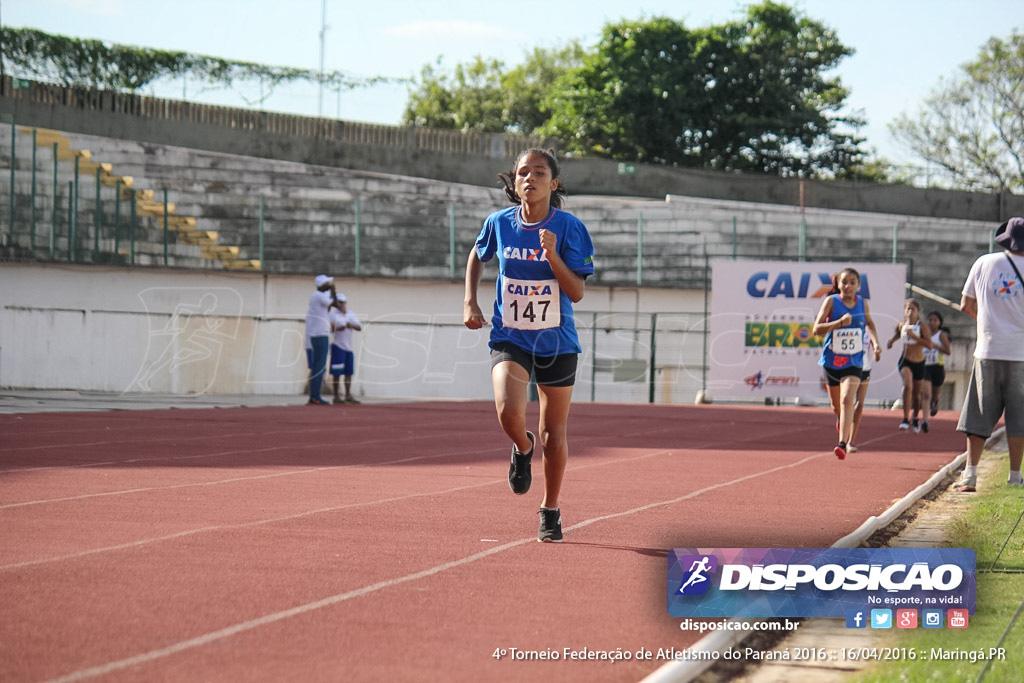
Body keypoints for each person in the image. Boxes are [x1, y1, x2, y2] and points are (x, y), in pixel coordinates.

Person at [463, 148, 595, 543]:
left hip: (556, 341)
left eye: (539, 172)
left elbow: (577, 292)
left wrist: (552, 254)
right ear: (515, 181)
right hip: (511, 335)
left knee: (554, 432)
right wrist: (470, 299)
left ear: (553, 184)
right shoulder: (499, 223)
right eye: (523, 172)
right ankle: (522, 449)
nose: (530, 178)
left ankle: (550, 509)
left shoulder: (570, 228)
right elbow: (477, 253)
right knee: (507, 410)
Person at [955, 216, 1024, 492]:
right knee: (1019, 418)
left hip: (988, 349)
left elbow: (966, 305)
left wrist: (986, 323)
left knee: (979, 413)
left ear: (1005, 239)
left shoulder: (984, 262)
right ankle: (1016, 477)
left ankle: (970, 475)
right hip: (1021, 353)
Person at [812, 267, 880, 460]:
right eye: (844, 282)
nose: (848, 286)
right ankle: (841, 420)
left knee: (846, 399)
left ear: (858, 285)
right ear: (838, 284)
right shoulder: (831, 302)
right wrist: (839, 323)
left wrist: (876, 344)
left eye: (852, 282)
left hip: (854, 360)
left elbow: (870, 325)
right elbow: (816, 329)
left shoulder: (862, 304)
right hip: (832, 361)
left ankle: (842, 443)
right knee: (836, 406)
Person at [886, 299, 933, 432]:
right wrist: (891, 341)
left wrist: (915, 337)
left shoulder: (922, 326)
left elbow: (929, 345)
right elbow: (897, 334)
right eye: (908, 309)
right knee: (908, 386)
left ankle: (915, 416)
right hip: (905, 361)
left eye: (913, 309)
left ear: (918, 312)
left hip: (919, 362)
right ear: (904, 312)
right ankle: (905, 419)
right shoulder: (902, 325)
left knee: (917, 394)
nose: (910, 312)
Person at [848, 327, 882, 453]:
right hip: (848, 368)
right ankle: (843, 424)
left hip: (864, 368)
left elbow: (877, 355)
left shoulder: (869, 330)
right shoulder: (849, 327)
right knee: (847, 402)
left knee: (859, 405)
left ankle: (851, 441)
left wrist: (877, 351)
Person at [305, 274, 335, 405]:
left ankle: (314, 394)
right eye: (327, 283)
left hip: (317, 334)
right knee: (320, 366)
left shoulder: (316, 296)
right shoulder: (319, 295)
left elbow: (328, 307)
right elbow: (331, 302)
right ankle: (315, 395)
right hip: (320, 335)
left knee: (318, 366)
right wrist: (333, 289)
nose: (329, 285)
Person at [328, 293, 362, 404]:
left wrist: (350, 325)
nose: (340, 304)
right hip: (338, 346)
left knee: (348, 373)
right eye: (338, 302)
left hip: (348, 348)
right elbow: (331, 327)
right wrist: (340, 327)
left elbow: (359, 326)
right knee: (337, 373)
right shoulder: (333, 314)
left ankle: (348, 395)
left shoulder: (351, 314)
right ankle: (336, 396)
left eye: (342, 302)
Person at [922, 310, 952, 417]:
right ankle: (926, 403)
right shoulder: (923, 334)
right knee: (927, 392)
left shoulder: (941, 335)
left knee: (935, 393)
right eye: (930, 320)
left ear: (939, 322)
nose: (932, 322)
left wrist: (934, 345)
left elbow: (948, 351)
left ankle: (934, 403)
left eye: (935, 320)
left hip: (937, 366)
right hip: (925, 366)